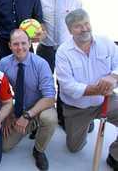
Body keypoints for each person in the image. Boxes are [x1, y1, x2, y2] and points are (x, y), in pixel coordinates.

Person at [55, 9, 118, 170]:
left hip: (106, 100)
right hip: (77, 108)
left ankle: (115, 155)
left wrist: (113, 77)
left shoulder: (106, 42)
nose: (84, 29)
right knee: (74, 148)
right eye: (78, 26)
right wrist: (98, 89)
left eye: (86, 24)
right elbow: (68, 86)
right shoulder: (63, 52)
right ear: (70, 31)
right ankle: (86, 124)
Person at [0, 29, 57, 171]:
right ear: (10, 45)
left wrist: (27, 116)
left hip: (40, 107)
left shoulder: (41, 64)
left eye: (24, 43)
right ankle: (33, 125)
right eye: (16, 44)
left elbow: (50, 97)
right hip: (19, 107)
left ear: (30, 43)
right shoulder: (4, 63)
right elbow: (1, 93)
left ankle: (39, 150)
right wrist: (6, 115)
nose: (20, 47)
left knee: (49, 118)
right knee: (4, 146)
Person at [37, 0, 82, 129]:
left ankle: (63, 117)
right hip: (45, 48)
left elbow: (81, 22)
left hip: (66, 49)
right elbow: (36, 20)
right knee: (43, 83)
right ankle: (45, 117)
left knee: (64, 84)